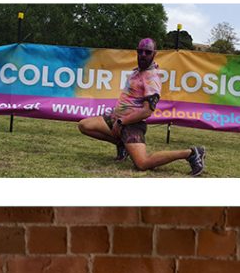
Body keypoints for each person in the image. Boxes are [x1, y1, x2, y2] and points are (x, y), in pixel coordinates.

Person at [78, 37, 205, 175]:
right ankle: (122, 144)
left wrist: (122, 122)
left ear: (154, 54)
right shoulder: (138, 71)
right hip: (116, 117)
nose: (143, 55)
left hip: (132, 124)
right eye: (140, 51)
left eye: (147, 52)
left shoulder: (152, 79)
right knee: (84, 125)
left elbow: (147, 111)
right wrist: (118, 119)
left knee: (142, 164)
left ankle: (191, 153)